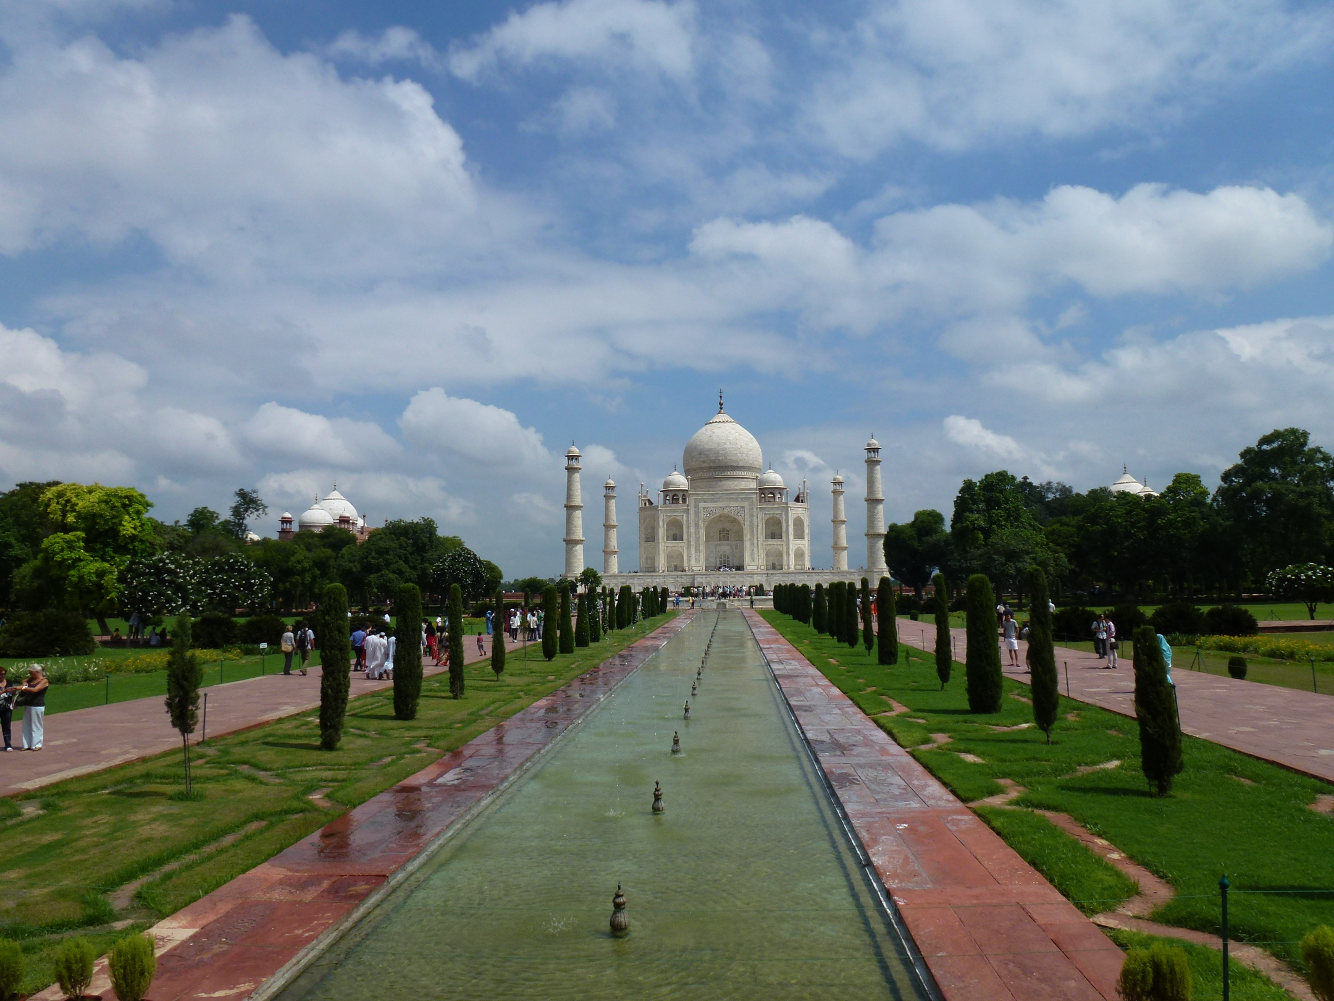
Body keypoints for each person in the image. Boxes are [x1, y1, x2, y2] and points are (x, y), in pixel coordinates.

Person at [16, 667, 48, 751]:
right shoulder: (31, 679)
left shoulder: (44, 681)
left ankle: (37, 744)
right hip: (28, 704)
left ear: (36, 671)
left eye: (31, 672)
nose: (30, 674)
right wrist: (24, 683)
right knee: (26, 724)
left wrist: (22, 688)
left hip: (37, 705)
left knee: (36, 725)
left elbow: (35, 690)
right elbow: (24, 681)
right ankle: (27, 744)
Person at [0, 667, 16, 751]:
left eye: (3, 674)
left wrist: (13, 692)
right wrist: (4, 691)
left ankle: (8, 744)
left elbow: (12, 694)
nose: (2, 676)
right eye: (0, 674)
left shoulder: (9, 682)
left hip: (6, 707)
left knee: (6, 726)